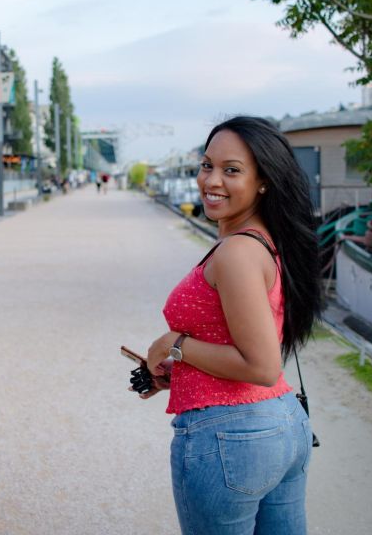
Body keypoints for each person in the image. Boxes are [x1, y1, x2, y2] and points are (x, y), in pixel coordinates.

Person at [137, 116, 321, 535]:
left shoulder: (237, 251)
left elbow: (261, 364)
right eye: (206, 165)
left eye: (231, 170)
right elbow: (240, 344)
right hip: (282, 424)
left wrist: (174, 344)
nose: (211, 180)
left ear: (263, 182)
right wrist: (181, 368)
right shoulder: (261, 241)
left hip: (230, 437)